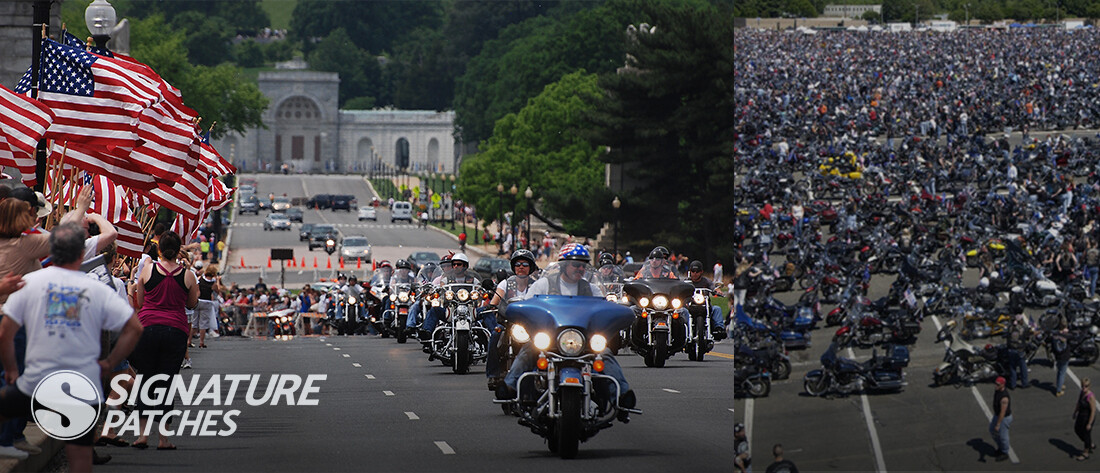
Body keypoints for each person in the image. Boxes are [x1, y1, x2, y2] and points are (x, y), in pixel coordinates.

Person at [0, 223, 143, 471]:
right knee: (79, 460)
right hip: (81, 385)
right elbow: (134, 328)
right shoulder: (98, 289)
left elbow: (5, 332)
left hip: (35, 381)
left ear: (52, 251)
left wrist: (11, 368)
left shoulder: (29, 282)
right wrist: (110, 363)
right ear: (81, 255)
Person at [499, 244, 635, 421]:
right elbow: (526, 305)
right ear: (563, 265)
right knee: (528, 350)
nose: (579, 268)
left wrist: (616, 311)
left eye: (582, 265)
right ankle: (509, 388)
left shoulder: (591, 289)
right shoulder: (543, 284)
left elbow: (604, 306)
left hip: (583, 341)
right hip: (550, 339)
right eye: (575, 264)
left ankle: (622, 397)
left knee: (606, 354)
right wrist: (518, 309)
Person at [131, 231, 199, 450]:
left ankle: (142, 435)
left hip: (148, 327)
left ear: (159, 249)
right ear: (178, 249)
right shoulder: (188, 275)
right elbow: (191, 304)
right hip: (175, 329)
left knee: (144, 380)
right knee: (166, 382)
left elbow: (139, 301)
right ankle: (163, 438)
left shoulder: (147, 270)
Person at [486, 249, 539, 389]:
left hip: (529, 325)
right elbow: (496, 300)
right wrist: (490, 307)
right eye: (518, 264)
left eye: (525, 264)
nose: (521, 267)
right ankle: (493, 375)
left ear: (531, 267)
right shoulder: (505, 283)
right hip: (508, 322)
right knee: (495, 334)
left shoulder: (536, 285)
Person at [419, 253, 478, 341]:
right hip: (450, 309)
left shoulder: (473, 280)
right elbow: (441, 288)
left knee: (487, 311)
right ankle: (427, 332)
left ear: (465, 265)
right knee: (434, 309)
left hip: (470, 310)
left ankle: (492, 335)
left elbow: (480, 289)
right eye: (454, 264)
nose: (455, 266)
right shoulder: (446, 280)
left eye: (459, 264)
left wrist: (482, 292)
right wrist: (437, 291)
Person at [686, 260, 727, 340]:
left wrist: (718, 290)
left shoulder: (706, 281)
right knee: (681, 311)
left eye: (697, 271)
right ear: (690, 271)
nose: (695, 273)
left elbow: (713, 287)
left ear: (701, 272)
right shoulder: (686, 282)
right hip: (690, 306)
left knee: (717, 309)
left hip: (704, 305)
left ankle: (719, 329)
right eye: (693, 271)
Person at [195, 264, 221, 348]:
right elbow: (218, 291)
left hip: (198, 301)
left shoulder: (200, 279)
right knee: (203, 323)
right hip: (207, 302)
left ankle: (189, 340)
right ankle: (201, 342)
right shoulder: (213, 283)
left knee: (194, 322)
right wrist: (217, 281)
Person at [990, 376, 1012, 462]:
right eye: (995, 383)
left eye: (998, 384)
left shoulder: (1004, 398)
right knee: (992, 430)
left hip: (1004, 418)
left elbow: (1003, 412)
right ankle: (1001, 447)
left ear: (1003, 385)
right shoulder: (998, 390)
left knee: (1003, 436)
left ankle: (1005, 452)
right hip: (997, 415)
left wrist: (998, 424)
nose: (996, 385)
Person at [1073, 378, 1096, 461]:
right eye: (1082, 386)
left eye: (1086, 386)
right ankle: (1089, 443)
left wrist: (1089, 423)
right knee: (1077, 429)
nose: (1084, 388)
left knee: (1086, 433)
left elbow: (1093, 410)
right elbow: (1078, 403)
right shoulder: (1082, 393)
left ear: (1089, 386)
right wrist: (1075, 412)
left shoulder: (1091, 397)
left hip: (1088, 417)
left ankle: (1085, 453)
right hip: (1081, 415)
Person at [1053, 325, 1072, 397]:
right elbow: (1072, 337)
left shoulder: (1055, 337)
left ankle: (1060, 385)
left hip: (1058, 356)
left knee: (1059, 372)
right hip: (1064, 357)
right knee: (1062, 373)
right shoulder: (1065, 337)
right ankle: (1059, 390)